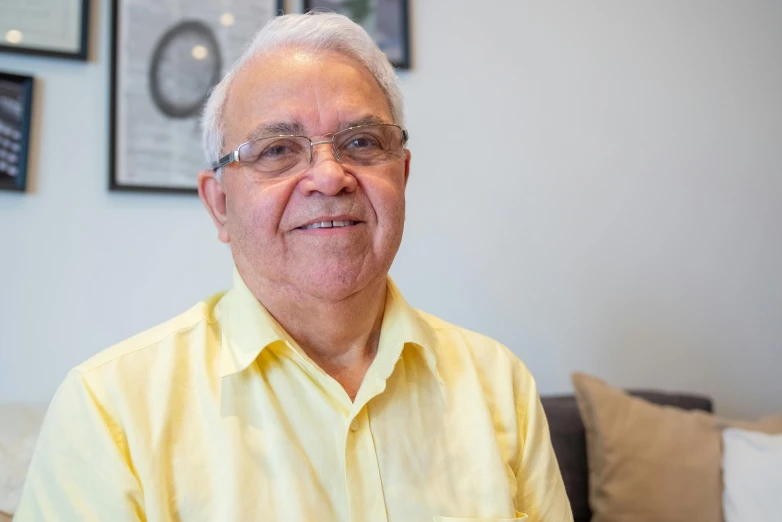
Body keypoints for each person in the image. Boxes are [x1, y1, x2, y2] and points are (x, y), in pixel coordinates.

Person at [15, 12, 573, 522]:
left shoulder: (500, 384)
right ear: (220, 204)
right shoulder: (109, 409)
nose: (330, 176)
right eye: (278, 149)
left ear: (402, 177)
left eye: (360, 141)